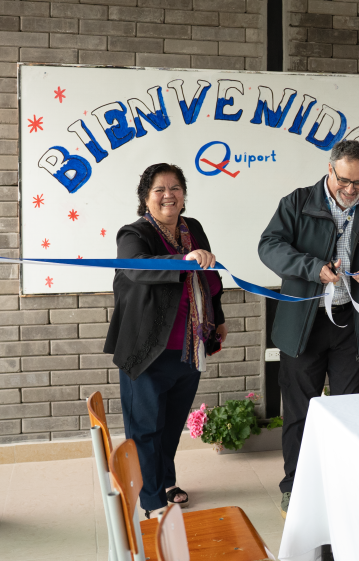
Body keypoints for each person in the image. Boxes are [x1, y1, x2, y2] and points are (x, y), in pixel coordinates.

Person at [259, 140, 359, 513]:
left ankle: (345, 486)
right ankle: (295, 486)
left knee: (350, 412)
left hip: (352, 326)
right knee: (300, 411)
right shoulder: (297, 202)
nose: (352, 190)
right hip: (302, 325)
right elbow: (269, 246)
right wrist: (311, 268)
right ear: (330, 170)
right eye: (345, 180)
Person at [104, 163, 227, 517]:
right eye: (159, 189)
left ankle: (165, 480)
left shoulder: (194, 228)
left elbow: (209, 277)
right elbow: (138, 267)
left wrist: (218, 317)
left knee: (171, 427)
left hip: (189, 349)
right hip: (147, 350)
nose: (168, 195)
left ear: (184, 195)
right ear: (146, 197)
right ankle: (152, 502)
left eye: (175, 188)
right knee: (145, 430)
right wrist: (184, 260)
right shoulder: (133, 233)